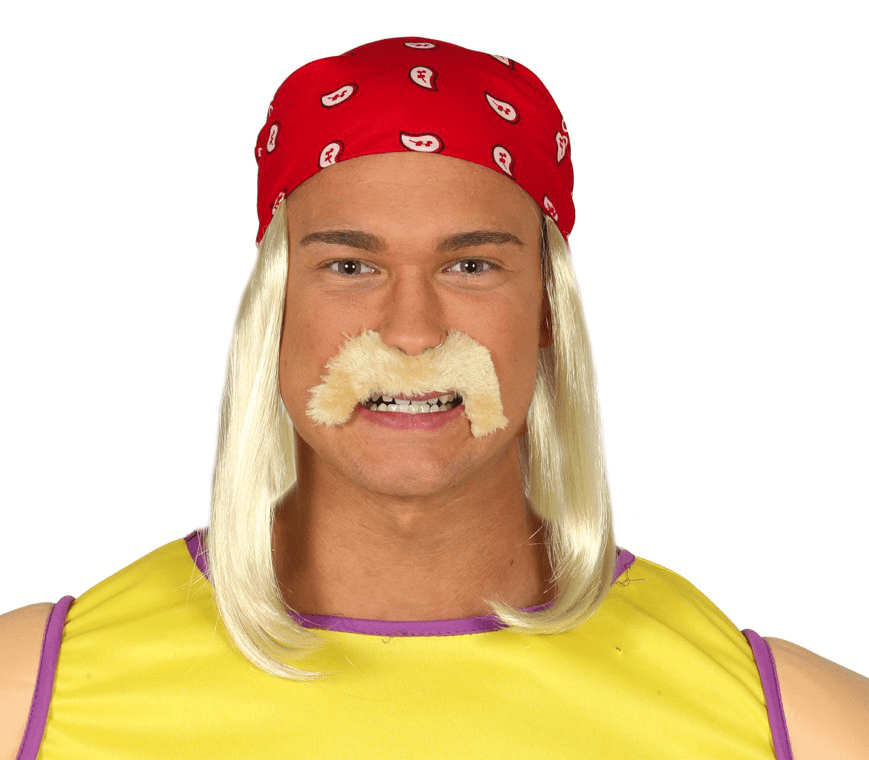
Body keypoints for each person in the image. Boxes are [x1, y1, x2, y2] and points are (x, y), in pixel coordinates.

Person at [1, 35, 867, 760]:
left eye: (470, 265)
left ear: (545, 312)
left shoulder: (796, 725)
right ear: (277, 309)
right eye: (350, 266)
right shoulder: (31, 696)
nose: (410, 331)